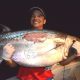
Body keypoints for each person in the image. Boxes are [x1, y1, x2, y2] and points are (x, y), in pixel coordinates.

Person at [3, 7, 76, 80]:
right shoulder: (21, 38)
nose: (35, 18)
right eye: (33, 16)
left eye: (39, 16)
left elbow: (62, 63)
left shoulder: (55, 39)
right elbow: (13, 65)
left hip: (45, 78)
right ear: (30, 20)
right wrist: (6, 58)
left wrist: (74, 54)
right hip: (23, 78)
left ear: (44, 21)